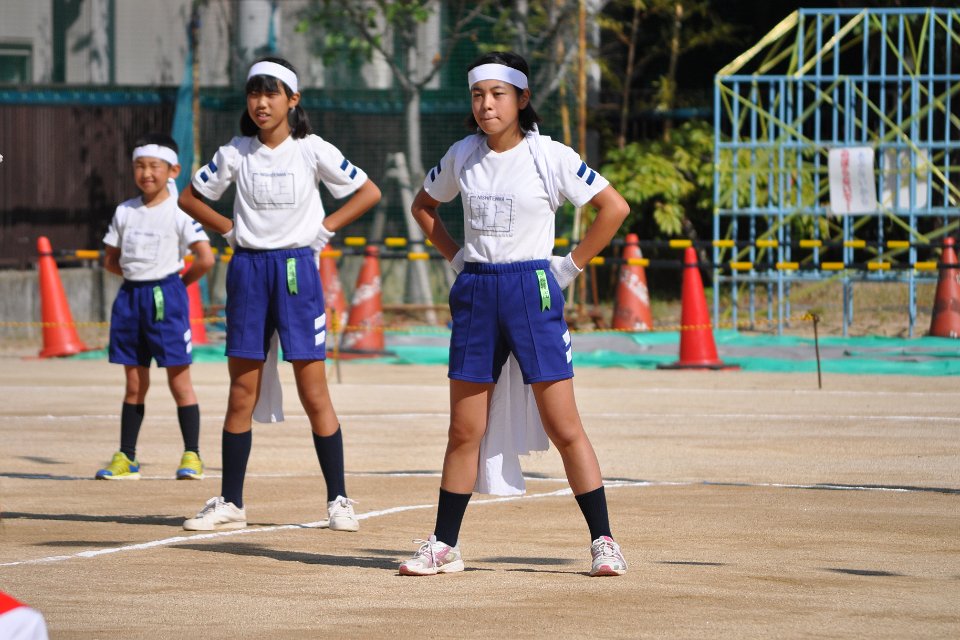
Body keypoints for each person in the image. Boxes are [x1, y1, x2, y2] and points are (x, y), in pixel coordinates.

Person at [399, 51, 630, 577]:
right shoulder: (462, 154)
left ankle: (604, 542)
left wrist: (568, 267)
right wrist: (458, 258)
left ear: (522, 99)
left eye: (498, 94)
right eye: (478, 95)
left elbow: (613, 208)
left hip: (533, 291)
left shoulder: (550, 156)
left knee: (564, 425)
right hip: (477, 292)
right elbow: (423, 207)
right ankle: (444, 545)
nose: (486, 105)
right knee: (465, 429)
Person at [177, 57, 381, 532]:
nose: (261, 103)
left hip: (297, 273)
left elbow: (368, 192)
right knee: (241, 391)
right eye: (254, 93)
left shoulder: (311, 149)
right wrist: (231, 231)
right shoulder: (236, 152)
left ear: (293, 99)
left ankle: (339, 500)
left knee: (314, 391)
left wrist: (325, 229)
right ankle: (231, 502)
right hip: (248, 271)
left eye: (271, 93)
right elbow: (189, 198)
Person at [96, 133, 214, 481]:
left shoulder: (180, 211)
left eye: (154, 166)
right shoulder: (125, 211)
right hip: (130, 299)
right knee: (134, 382)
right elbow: (110, 259)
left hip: (166, 296)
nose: (146, 173)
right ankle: (126, 457)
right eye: (139, 166)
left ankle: (192, 455)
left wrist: (177, 285)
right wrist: (137, 276)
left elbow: (205, 258)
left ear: (173, 170)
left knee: (179, 380)